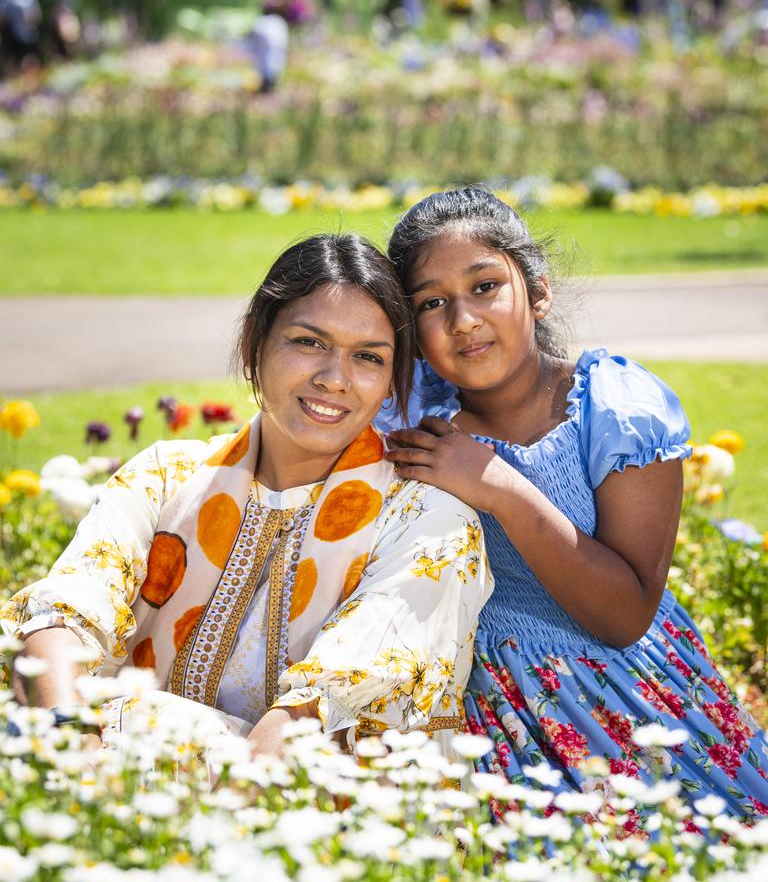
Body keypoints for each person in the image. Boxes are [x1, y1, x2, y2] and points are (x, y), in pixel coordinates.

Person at [1, 234, 491, 760]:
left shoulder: (428, 521)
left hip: (310, 817)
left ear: (393, 382)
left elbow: (316, 720)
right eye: (309, 342)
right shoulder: (166, 477)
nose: (334, 379)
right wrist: (78, 760)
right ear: (254, 346)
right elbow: (60, 619)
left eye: (368, 357)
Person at [377, 187, 768, 819]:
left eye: (484, 287)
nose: (464, 320)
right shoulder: (413, 419)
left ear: (536, 290)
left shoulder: (612, 408)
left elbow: (625, 614)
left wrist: (499, 486)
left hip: (629, 705)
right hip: (494, 719)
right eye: (432, 302)